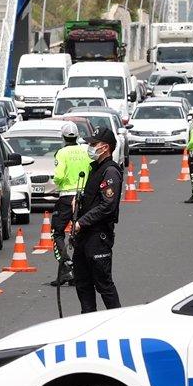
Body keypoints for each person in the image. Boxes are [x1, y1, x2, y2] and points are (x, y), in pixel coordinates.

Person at [72, 126, 123, 313]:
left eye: (94, 144)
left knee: (104, 285)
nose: (90, 147)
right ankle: (87, 323)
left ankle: (118, 324)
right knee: (83, 283)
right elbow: (92, 199)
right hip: (83, 236)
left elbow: (107, 206)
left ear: (106, 147)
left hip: (98, 236)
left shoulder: (110, 171)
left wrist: (81, 222)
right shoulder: (95, 168)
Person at [49, 122, 91, 286]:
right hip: (84, 197)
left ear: (63, 137)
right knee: (80, 232)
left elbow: (58, 176)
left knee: (57, 232)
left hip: (67, 197)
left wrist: (58, 184)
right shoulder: (86, 150)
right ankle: (80, 271)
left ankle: (66, 267)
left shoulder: (62, 153)